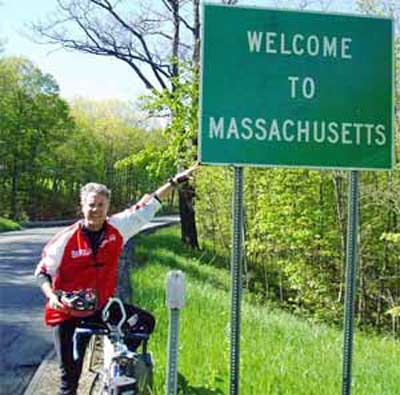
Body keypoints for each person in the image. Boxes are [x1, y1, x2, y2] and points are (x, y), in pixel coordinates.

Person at [34, 164, 199, 395]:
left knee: (144, 323)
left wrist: (173, 183)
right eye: (91, 204)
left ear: (107, 207)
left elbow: (147, 207)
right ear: (82, 206)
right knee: (68, 380)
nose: (96, 209)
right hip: (67, 312)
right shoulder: (65, 239)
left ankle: (121, 363)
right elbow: (42, 272)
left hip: (101, 308)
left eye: (101, 205)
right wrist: (52, 297)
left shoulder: (117, 228)